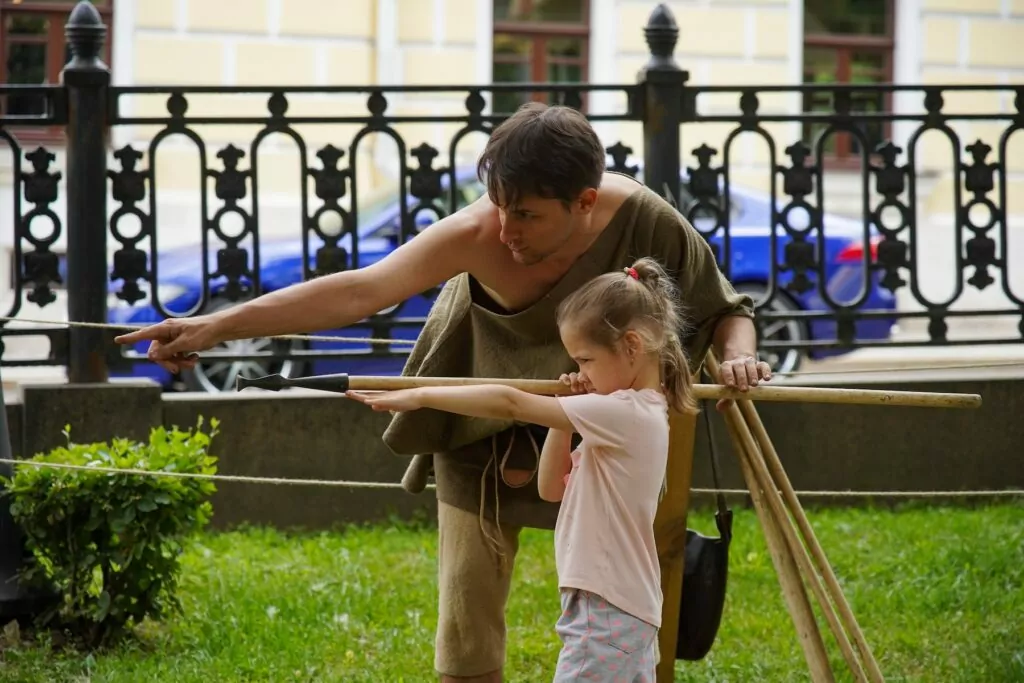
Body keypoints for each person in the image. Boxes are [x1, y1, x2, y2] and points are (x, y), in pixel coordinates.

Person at [114, 102, 773, 683]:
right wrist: (214, 325)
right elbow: (359, 290)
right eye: (499, 206)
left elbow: (725, 308)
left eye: (528, 214)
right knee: (466, 621)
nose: (507, 229)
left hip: (600, 439)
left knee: (630, 595)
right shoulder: (477, 232)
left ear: (585, 203)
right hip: (471, 422)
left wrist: (740, 358)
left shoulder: (647, 222)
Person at [345, 257, 697, 682]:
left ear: (632, 346)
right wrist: (564, 419)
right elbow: (551, 489)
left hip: (608, 611)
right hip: (613, 606)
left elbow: (511, 403)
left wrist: (421, 396)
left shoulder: (627, 414)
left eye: (585, 360)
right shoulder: (625, 415)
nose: (579, 371)